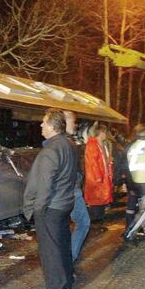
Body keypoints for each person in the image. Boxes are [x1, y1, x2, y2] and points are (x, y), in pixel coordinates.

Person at [23, 108, 78, 289]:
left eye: (43, 122)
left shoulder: (51, 150)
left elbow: (45, 184)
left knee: (50, 250)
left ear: (53, 126)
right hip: (64, 204)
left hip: (51, 207)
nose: (40, 125)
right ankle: (66, 283)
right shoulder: (69, 145)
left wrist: (37, 209)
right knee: (62, 246)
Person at [63, 110, 91, 265]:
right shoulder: (66, 143)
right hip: (71, 190)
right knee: (83, 222)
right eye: (73, 122)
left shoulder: (65, 141)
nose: (75, 125)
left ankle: (67, 256)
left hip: (71, 189)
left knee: (68, 224)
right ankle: (70, 257)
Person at [84, 124, 114, 221]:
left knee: (101, 198)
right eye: (105, 133)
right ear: (101, 133)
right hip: (96, 178)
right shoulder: (93, 145)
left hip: (103, 176)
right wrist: (97, 176)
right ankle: (95, 219)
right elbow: (92, 161)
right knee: (96, 198)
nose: (106, 135)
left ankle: (99, 217)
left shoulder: (102, 145)